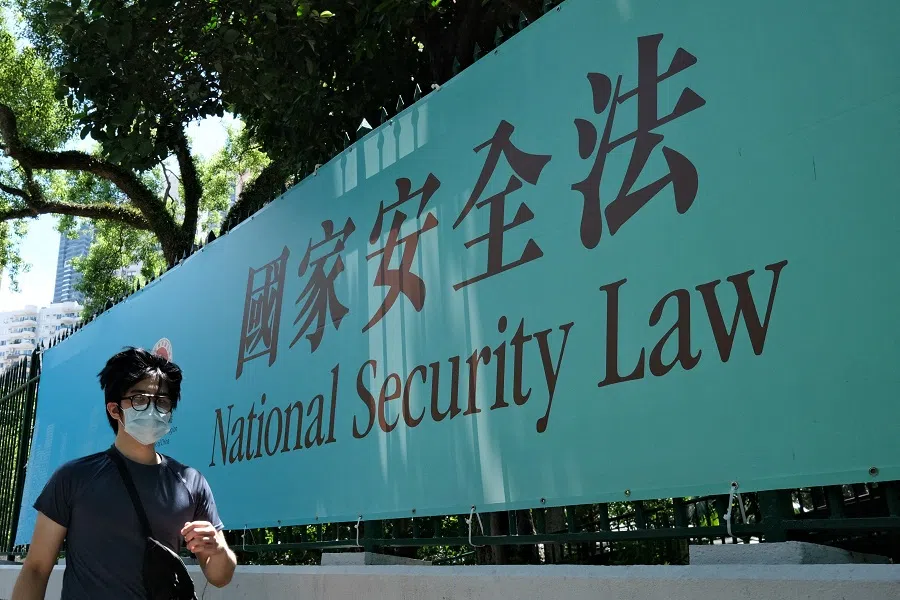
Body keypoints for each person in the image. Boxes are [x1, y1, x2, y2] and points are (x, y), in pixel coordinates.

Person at [12, 347, 236, 599]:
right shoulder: (74, 478)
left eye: (162, 401)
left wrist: (217, 550)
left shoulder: (191, 482)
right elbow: (36, 569)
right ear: (114, 409)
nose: (152, 409)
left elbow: (220, 576)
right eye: (139, 399)